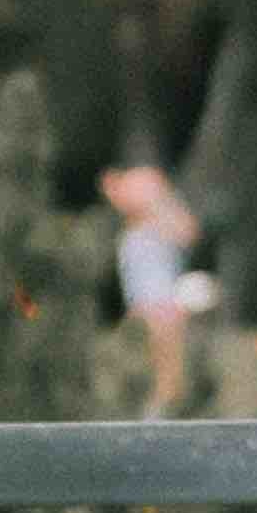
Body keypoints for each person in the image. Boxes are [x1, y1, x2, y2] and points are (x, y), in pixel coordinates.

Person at [104, 162, 218, 417]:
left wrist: (158, 203)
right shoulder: (134, 231)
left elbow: (187, 232)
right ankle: (154, 412)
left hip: (162, 308)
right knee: (143, 370)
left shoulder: (164, 225)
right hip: (142, 311)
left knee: (167, 374)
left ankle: (162, 413)